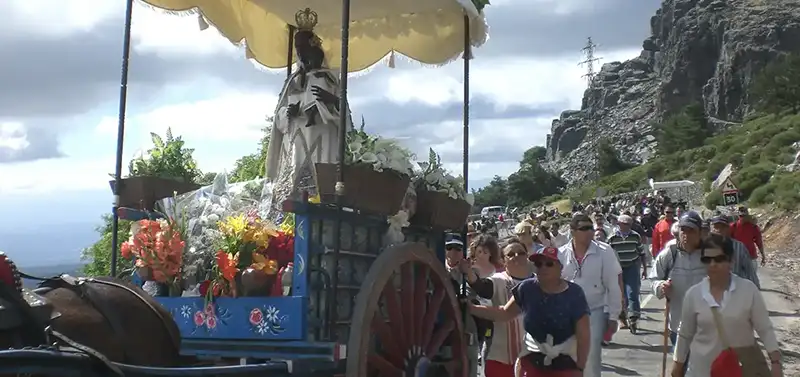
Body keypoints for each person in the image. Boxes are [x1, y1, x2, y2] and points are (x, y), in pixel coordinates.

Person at [671, 234, 782, 377]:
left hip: (739, 370)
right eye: (707, 259)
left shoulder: (748, 290)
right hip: (701, 371)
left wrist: (776, 363)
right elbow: (685, 334)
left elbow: (764, 328)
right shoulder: (694, 295)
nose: (712, 264)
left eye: (719, 259)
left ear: (731, 261)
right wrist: (677, 366)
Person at [470, 246, 589, 377]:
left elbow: (583, 335)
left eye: (549, 264)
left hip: (565, 363)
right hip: (531, 362)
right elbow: (504, 313)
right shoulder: (527, 288)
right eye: (539, 264)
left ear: (560, 267)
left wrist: (580, 367)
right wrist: (471, 309)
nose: (543, 267)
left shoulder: (574, 293)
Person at [558, 213, 622, 377]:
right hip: (565, 314)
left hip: (594, 311)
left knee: (591, 359)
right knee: (566, 357)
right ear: (572, 231)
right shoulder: (561, 254)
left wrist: (614, 316)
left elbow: (613, 285)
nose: (589, 232)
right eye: (583, 228)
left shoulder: (604, 251)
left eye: (591, 228)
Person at [460, 238, 534, 377]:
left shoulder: (537, 281)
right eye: (510, 254)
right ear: (503, 260)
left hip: (532, 358)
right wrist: (468, 272)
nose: (516, 256)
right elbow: (482, 287)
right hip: (500, 358)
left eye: (521, 253)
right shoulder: (498, 280)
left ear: (527, 256)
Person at [650, 211, 708, 350]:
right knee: (682, 368)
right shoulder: (670, 254)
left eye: (691, 230)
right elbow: (654, 279)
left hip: (707, 326)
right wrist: (661, 286)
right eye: (683, 230)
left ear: (700, 232)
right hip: (678, 324)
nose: (686, 235)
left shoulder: (710, 253)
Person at [443, 233, 481, 377]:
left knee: (468, 360)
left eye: (458, 248)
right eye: (449, 247)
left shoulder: (471, 271)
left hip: (466, 322)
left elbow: (476, 291)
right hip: (444, 323)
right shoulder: (438, 268)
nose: (453, 252)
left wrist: (467, 271)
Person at [606, 214, 646, 333]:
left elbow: (641, 252)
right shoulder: (612, 237)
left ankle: (633, 318)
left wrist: (644, 268)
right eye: (624, 224)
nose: (626, 226)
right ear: (619, 224)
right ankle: (622, 318)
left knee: (632, 292)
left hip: (632, 266)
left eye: (628, 224)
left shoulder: (635, 236)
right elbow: (607, 254)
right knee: (619, 295)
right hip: (617, 268)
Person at [708, 215, 760, 288]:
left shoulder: (739, 247)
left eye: (722, 227)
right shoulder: (706, 248)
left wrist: (755, 289)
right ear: (711, 229)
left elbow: (749, 271)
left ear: (728, 228)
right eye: (716, 227)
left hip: (737, 290)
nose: (719, 230)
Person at [730, 206, 766, 273]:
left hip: (751, 257)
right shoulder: (733, 227)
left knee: (752, 281)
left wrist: (763, 255)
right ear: (738, 216)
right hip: (737, 259)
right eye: (741, 216)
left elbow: (759, 242)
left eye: (744, 216)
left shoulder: (753, 227)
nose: (742, 218)